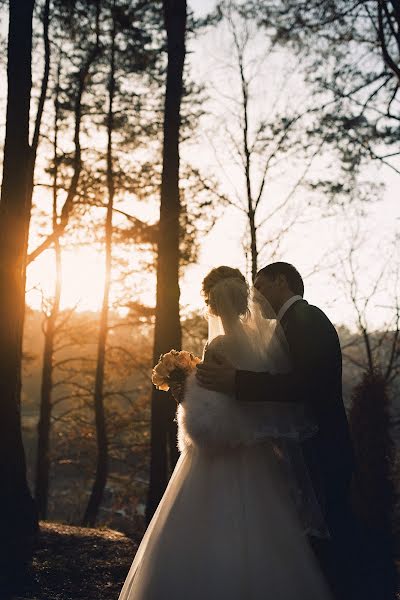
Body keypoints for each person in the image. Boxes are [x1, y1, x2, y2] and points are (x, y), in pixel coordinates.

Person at [118, 266, 333, 600]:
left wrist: (184, 394)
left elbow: (205, 420)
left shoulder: (217, 346)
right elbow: (270, 398)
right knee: (270, 536)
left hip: (218, 463)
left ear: (213, 306)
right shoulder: (267, 344)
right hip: (261, 460)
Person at [196, 262, 358, 600]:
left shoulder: (305, 319)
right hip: (306, 444)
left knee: (332, 531)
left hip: (323, 444)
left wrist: (236, 382)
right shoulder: (279, 330)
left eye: (261, 285)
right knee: (314, 533)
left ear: (281, 281)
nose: (255, 295)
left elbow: (305, 384)